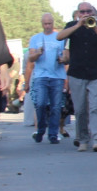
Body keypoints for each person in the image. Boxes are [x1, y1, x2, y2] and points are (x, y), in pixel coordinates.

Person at [56, 2, 97, 152]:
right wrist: (78, 25)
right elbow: (59, 37)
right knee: (80, 109)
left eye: (89, 11)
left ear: (93, 13)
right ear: (78, 13)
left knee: (96, 107)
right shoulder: (71, 25)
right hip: (77, 73)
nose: (86, 14)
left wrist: (95, 29)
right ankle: (82, 139)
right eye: (82, 12)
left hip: (96, 72)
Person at [28, 13, 66, 144]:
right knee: (40, 103)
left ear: (53, 23)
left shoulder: (60, 37)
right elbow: (30, 58)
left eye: (50, 23)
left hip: (57, 76)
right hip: (41, 76)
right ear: (42, 24)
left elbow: (66, 58)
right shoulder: (35, 38)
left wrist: (62, 59)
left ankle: (53, 134)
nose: (48, 26)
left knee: (56, 107)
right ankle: (40, 130)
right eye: (45, 24)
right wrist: (38, 53)